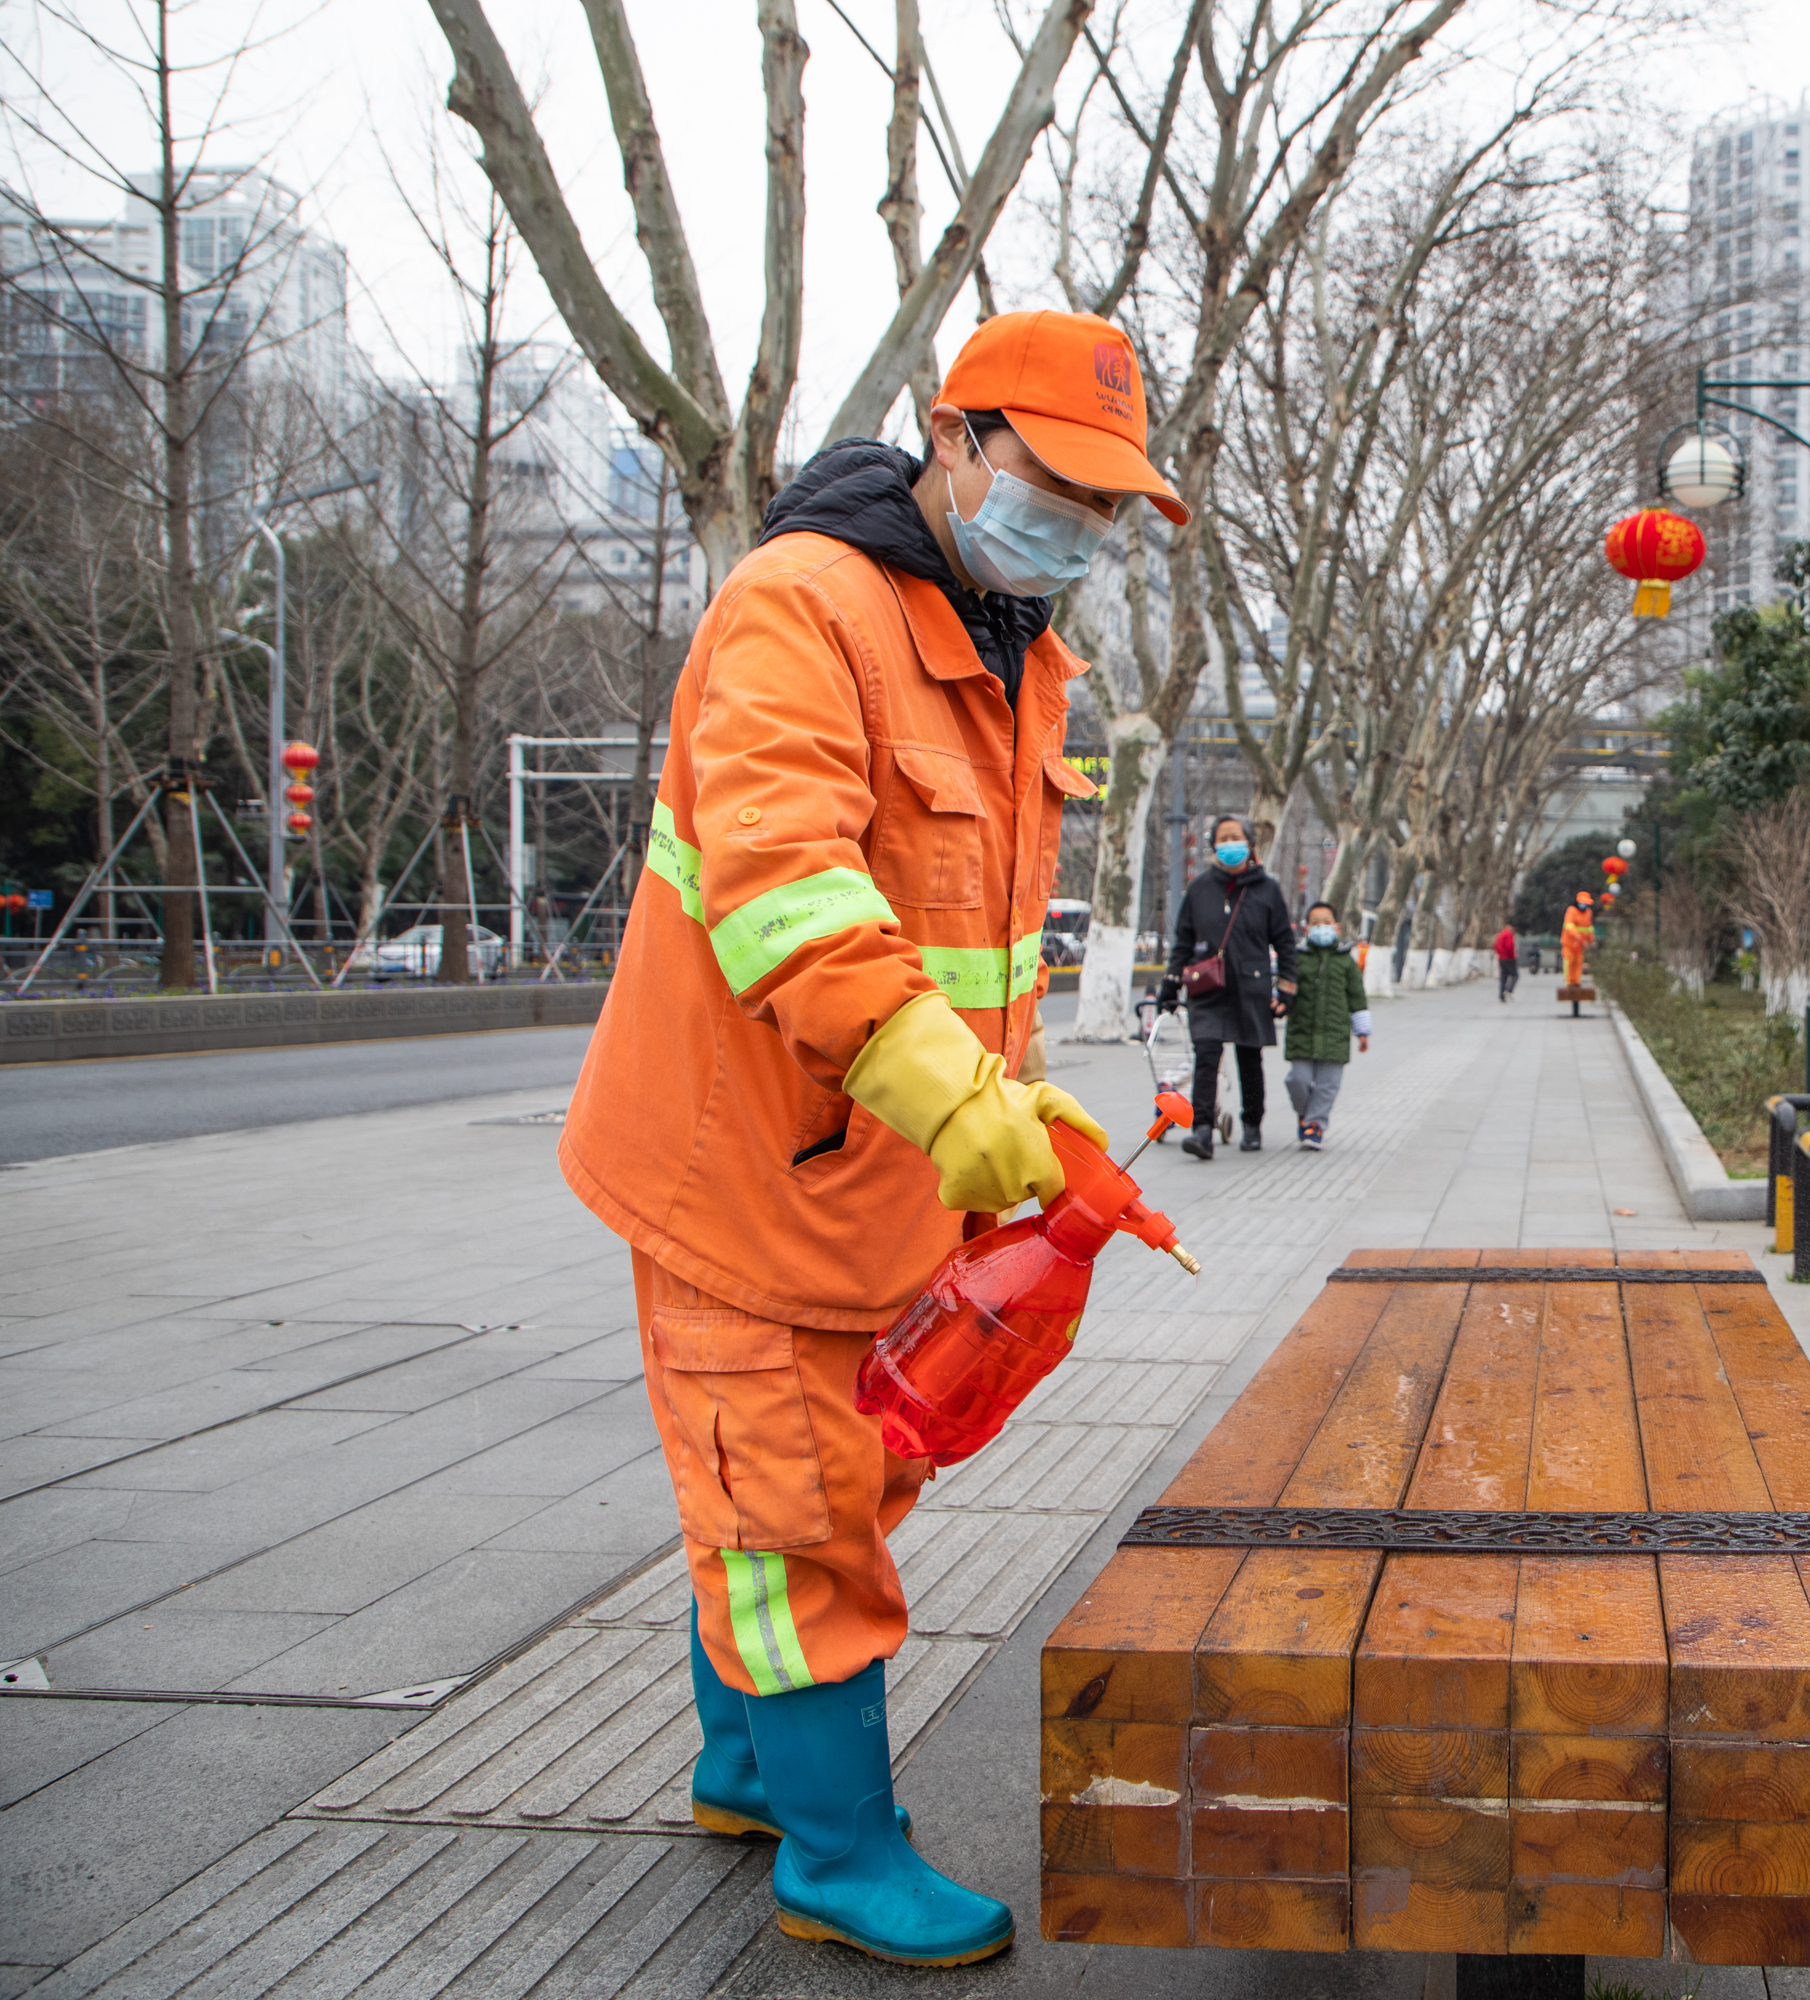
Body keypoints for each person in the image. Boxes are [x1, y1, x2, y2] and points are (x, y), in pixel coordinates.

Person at [558, 309, 1184, 1968]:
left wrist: (1012, 1096)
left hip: (884, 1172)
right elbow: (791, 895)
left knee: (845, 1479)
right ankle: (838, 1850)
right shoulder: (799, 608)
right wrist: (958, 1096)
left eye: (1112, 509)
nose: (1086, 533)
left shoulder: (1017, 648)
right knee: (790, 1518)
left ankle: (745, 1765)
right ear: (955, 437)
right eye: (1062, 486)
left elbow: (977, 934)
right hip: (738, 1172)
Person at [1163, 816, 1297, 1158]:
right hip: (1207, 987)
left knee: (1249, 1058)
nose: (1229, 843)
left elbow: (1284, 942)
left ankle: (1252, 1124)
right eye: (1222, 838)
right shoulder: (1200, 889)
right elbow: (1183, 939)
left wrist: (1286, 988)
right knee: (1206, 1056)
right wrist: (1171, 980)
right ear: (1214, 846)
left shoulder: (1266, 889)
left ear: (1249, 844)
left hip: (1251, 986)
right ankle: (1202, 1130)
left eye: (1235, 837)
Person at [1282, 902, 1371, 1149]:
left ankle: (1315, 1125)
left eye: (1326, 922)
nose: (1321, 927)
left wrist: (1362, 1032)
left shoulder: (1346, 962)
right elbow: (1286, 988)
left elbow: (1357, 997)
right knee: (1297, 1080)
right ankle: (1306, 1114)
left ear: (1337, 927)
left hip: (1335, 1034)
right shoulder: (1298, 959)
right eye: (1315, 923)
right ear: (1306, 929)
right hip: (1302, 1031)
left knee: (1327, 1085)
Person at [1493, 920, 1519, 1002]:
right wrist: (1512, 956)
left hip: (1501, 958)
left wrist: (1500, 954)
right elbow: (1509, 946)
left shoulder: (1501, 933)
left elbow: (1496, 945)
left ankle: (1501, 995)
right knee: (1515, 975)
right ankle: (1509, 990)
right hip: (1509, 958)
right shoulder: (1508, 934)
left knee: (1503, 977)